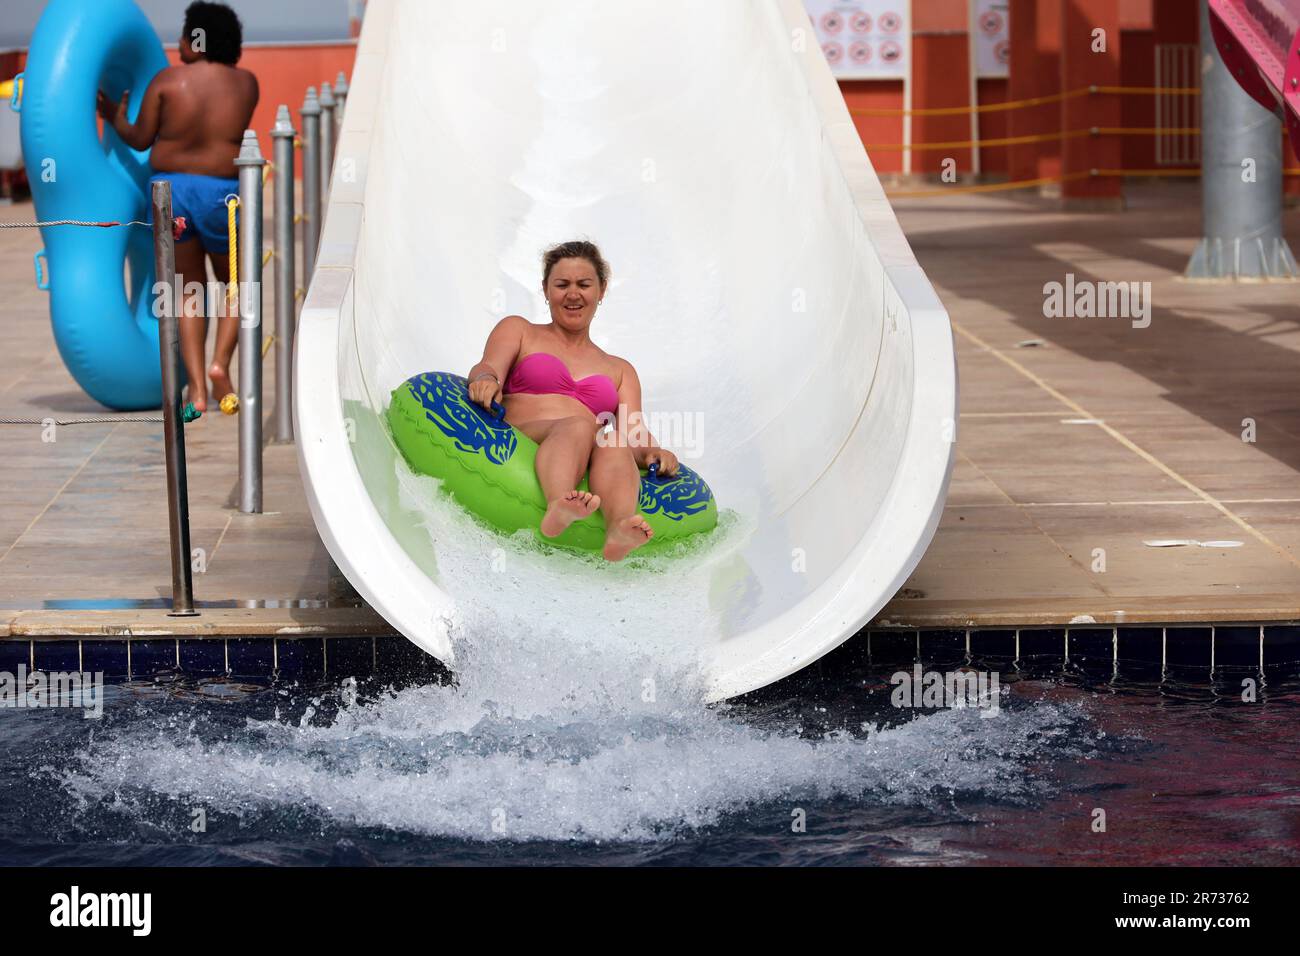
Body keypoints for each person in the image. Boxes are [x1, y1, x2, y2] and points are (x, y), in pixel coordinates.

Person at [467, 241, 680, 562]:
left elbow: (634, 431)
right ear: (545, 289)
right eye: (562, 284)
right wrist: (485, 380)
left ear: (601, 290)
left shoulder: (620, 370)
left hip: (583, 447)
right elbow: (489, 366)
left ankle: (619, 525)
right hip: (525, 432)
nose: (573, 294)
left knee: (613, 441)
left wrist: (652, 451)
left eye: (584, 284)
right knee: (582, 425)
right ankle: (558, 504)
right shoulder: (520, 330)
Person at [97, 1, 259, 414]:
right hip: (222, 194)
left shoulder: (167, 82)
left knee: (187, 292)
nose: (178, 42)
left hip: (171, 196)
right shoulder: (246, 84)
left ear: (197, 39)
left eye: (186, 35)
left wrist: (115, 118)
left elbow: (139, 138)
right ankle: (220, 365)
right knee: (238, 287)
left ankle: (198, 393)